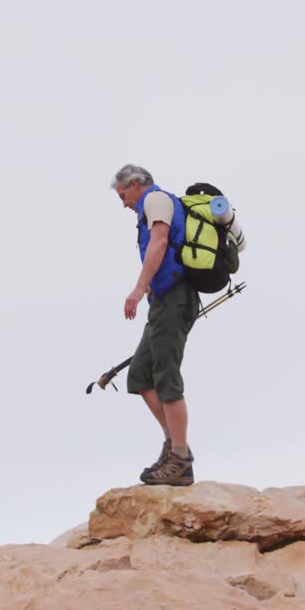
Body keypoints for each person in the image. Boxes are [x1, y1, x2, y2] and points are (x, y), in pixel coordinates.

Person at [112, 164, 201, 487]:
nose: (123, 203)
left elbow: (159, 243)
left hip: (174, 297)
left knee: (165, 374)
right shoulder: (150, 205)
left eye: (123, 195)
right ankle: (174, 446)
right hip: (163, 300)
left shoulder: (156, 200)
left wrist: (138, 288)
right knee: (140, 374)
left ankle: (180, 459)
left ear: (136, 184)